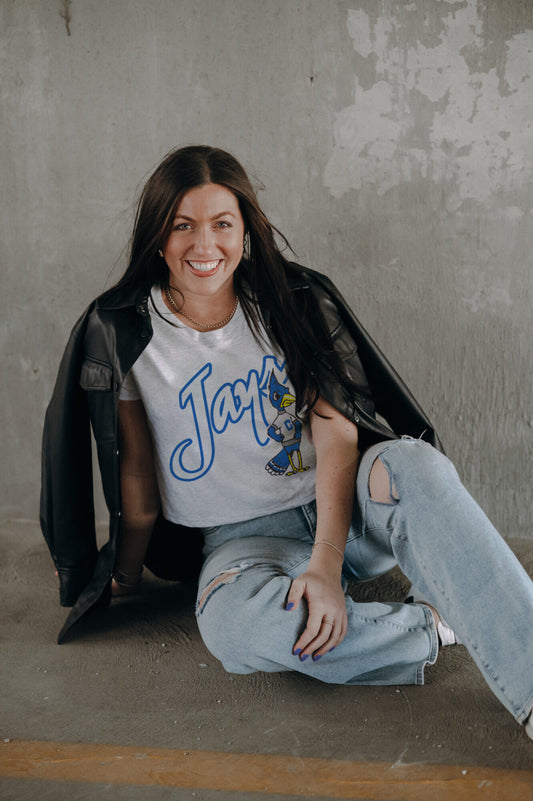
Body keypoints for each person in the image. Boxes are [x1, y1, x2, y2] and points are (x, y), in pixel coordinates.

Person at [41, 145, 533, 740]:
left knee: (413, 464)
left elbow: (336, 428)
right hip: (244, 543)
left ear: (246, 230)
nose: (204, 246)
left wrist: (326, 561)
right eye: (183, 226)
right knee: (233, 631)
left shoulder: (288, 299)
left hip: (348, 513)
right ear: (158, 235)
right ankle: (437, 623)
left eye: (222, 225)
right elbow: (137, 481)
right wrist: (118, 575)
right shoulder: (123, 328)